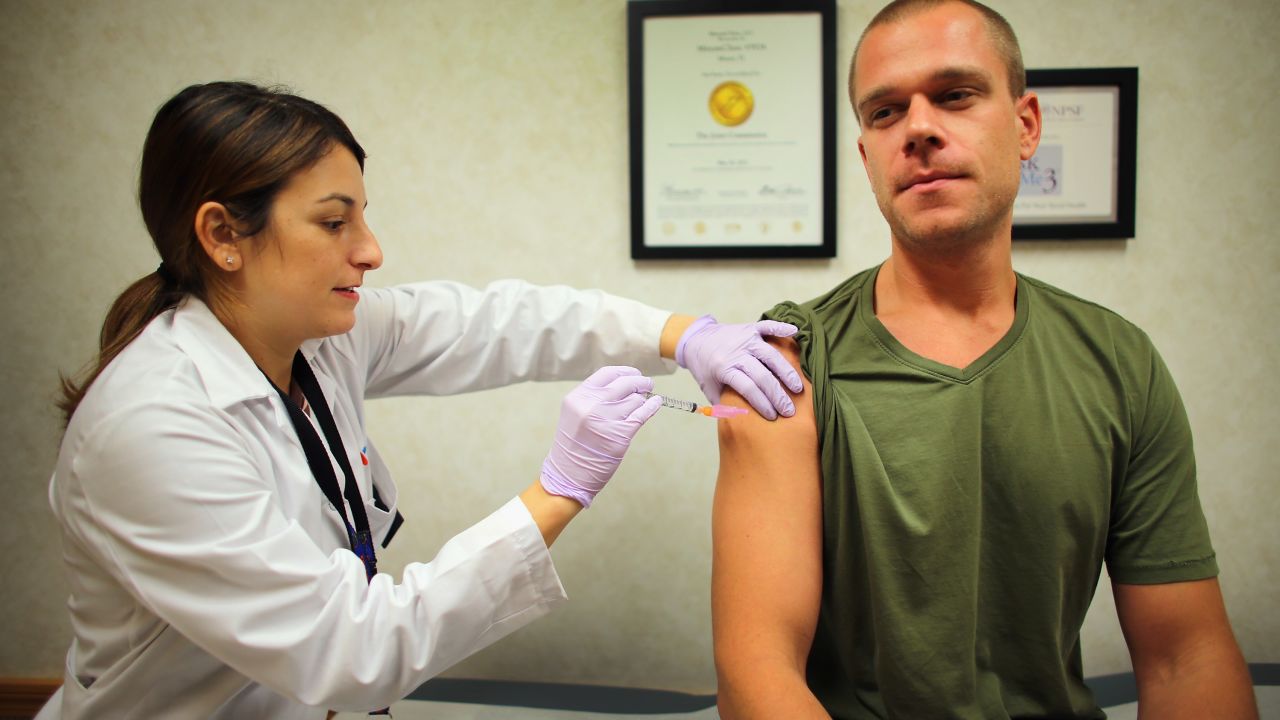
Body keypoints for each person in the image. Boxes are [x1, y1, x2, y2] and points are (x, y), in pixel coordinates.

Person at [40, 81, 803, 719]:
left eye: (362, 218)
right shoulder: (151, 427)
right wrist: (558, 491)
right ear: (221, 235)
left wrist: (681, 334)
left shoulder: (314, 338)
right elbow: (351, 650)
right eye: (335, 222)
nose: (370, 250)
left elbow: (500, 322)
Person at [710, 1, 1258, 718]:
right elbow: (757, 670)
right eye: (884, 113)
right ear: (866, 154)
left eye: (955, 95)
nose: (919, 129)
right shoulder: (788, 363)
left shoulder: (1119, 363)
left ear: (1026, 125)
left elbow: (1186, 657)